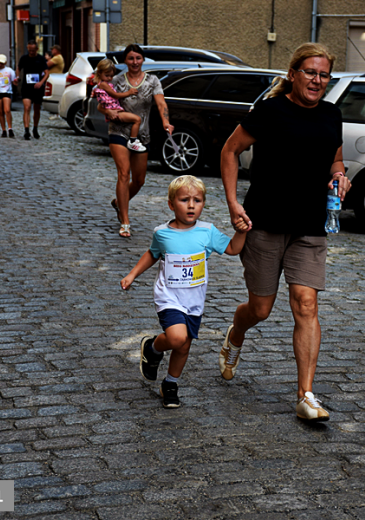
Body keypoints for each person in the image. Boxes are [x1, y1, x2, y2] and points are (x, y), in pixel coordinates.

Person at [218, 42, 351, 423]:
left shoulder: (331, 114)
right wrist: (233, 203)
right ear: (293, 74)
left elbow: (335, 159)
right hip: (265, 223)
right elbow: (230, 151)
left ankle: (305, 395)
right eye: (310, 72)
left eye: (324, 74)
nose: (317, 80)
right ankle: (235, 334)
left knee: (306, 305)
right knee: (260, 308)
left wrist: (340, 177)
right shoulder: (270, 111)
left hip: (311, 226)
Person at [121, 175, 250, 408]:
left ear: (203, 204)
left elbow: (232, 248)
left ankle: (170, 384)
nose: (191, 205)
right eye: (184, 200)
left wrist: (241, 231)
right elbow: (152, 254)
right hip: (168, 296)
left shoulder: (207, 232)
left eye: (197, 200)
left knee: (183, 345)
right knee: (177, 337)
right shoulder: (162, 233)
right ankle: (153, 347)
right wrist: (132, 275)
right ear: (171, 204)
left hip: (193, 300)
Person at [108, 44, 173, 238]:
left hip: (142, 134)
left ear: (142, 59)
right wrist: (108, 111)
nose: (134, 62)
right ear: (125, 61)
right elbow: (102, 101)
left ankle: (119, 201)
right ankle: (125, 220)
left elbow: (161, 103)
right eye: (130, 58)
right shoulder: (117, 81)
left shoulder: (152, 81)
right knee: (123, 173)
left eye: (138, 58)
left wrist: (166, 121)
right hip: (119, 130)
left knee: (138, 180)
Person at [91, 59, 146, 152]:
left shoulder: (105, 84)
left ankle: (132, 140)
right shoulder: (104, 84)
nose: (109, 78)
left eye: (111, 76)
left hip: (115, 110)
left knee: (135, 120)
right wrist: (129, 93)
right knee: (137, 119)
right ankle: (133, 141)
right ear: (99, 73)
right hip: (115, 111)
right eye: (107, 75)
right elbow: (115, 95)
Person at [16, 40, 49, 140]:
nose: (31, 52)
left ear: (37, 49)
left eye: (33, 50)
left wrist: (41, 82)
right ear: (27, 48)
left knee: (36, 109)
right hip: (26, 87)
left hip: (37, 88)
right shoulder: (24, 58)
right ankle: (26, 130)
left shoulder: (41, 59)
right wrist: (17, 77)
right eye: (30, 50)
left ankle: (35, 128)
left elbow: (47, 73)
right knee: (27, 108)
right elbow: (18, 68)